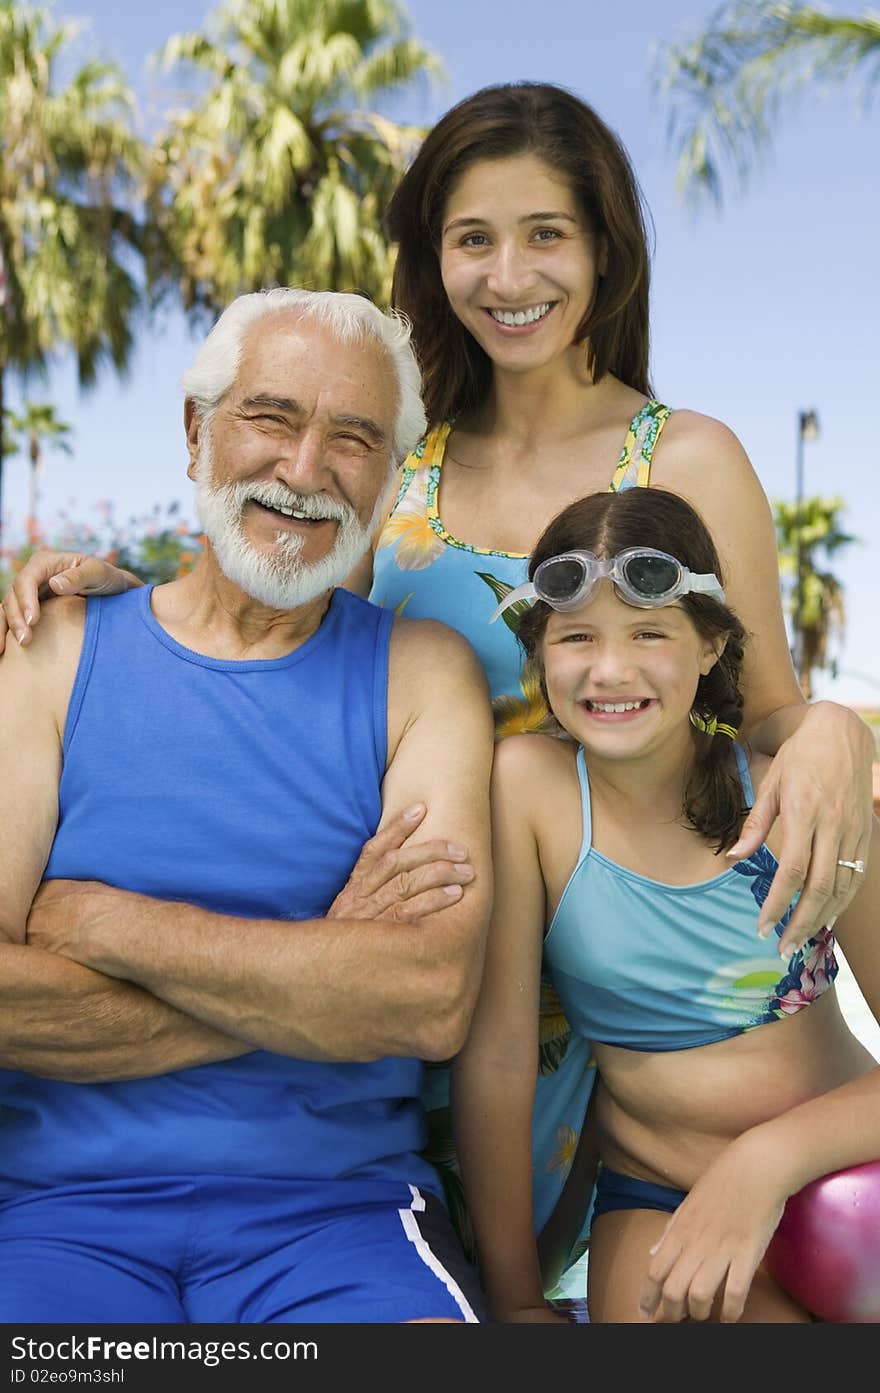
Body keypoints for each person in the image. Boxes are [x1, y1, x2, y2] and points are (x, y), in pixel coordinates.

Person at [3, 81, 874, 1286]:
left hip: (618, 974)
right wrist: (107, 588)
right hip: (443, 976)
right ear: (432, 256)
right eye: (472, 238)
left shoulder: (686, 459)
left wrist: (833, 727)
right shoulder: (391, 464)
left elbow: (761, 702)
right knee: (462, 1275)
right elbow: (269, 585)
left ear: (604, 251)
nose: (508, 274)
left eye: (545, 234)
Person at [0, 287, 495, 1323]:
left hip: (342, 1219)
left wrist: (97, 920)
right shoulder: (54, 648)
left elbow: (426, 996)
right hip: (51, 1214)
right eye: (271, 417)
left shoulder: (422, 674)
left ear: (389, 474)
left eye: (353, 438)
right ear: (195, 431)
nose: (305, 469)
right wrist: (318, 973)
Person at [453, 485, 879, 1323]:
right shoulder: (531, 791)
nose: (611, 671)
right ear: (540, 651)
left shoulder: (803, 796)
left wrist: (766, 1160)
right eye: (577, 637)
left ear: (712, 644)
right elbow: (500, 1057)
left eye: (649, 633)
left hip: (852, 1183)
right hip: (662, 1202)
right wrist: (514, 1298)